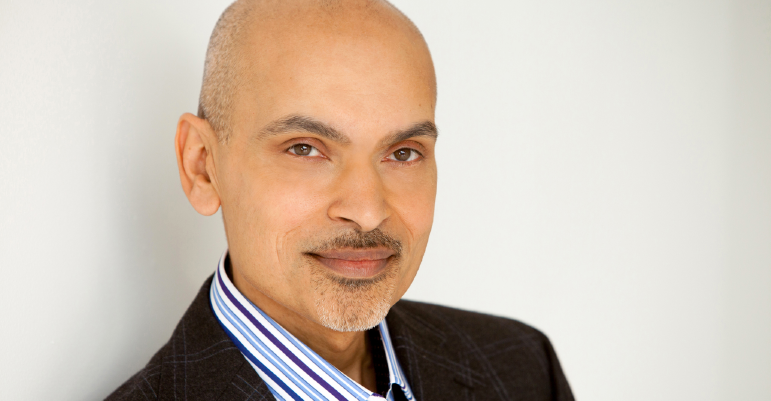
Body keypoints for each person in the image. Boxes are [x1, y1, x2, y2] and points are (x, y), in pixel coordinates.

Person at [107, 0, 574, 400]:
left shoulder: (523, 367)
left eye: (403, 153)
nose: (368, 212)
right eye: (304, 149)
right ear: (203, 166)